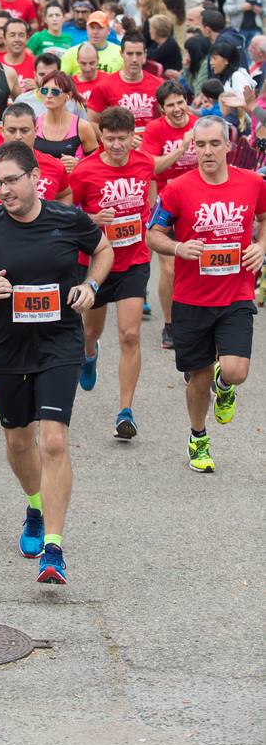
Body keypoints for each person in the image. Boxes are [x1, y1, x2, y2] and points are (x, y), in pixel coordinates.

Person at [0, 141, 113, 584]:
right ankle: (36, 506)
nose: (3, 189)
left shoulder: (68, 219)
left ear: (35, 178)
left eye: (11, 180)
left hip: (60, 342)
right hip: (8, 347)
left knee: (55, 441)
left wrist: (91, 287)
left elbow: (103, 250)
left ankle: (54, 549)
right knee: (20, 441)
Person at [146, 115, 266, 472]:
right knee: (197, 377)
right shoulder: (178, 188)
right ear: (193, 148)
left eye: (215, 144)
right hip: (191, 297)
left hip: (236, 294)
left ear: (228, 146)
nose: (207, 151)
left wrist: (262, 247)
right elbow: (154, 233)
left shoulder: (253, 184)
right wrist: (178, 248)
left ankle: (224, 382)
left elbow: (264, 220)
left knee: (236, 370)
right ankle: (198, 436)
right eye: (200, 145)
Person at [69, 106, 154, 439]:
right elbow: (67, 215)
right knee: (90, 332)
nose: (117, 145)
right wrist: (92, 221)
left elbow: (153, 190)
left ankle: (125, 411)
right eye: (110, 139)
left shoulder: (144, 162)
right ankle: (89, 355)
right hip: (96, 264)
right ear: (100, 136)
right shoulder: (85, 172)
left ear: (133, 137)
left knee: (130, 335)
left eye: (123, 139)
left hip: (134, 260)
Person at [141, 81, 199, 349]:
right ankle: (170, 323)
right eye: (170, 105)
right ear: (161, 109)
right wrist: (181, 149)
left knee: (199, 264)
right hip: (168, 201)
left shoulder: (201, 124)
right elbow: (152, 167)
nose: (177, 109)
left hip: (199, 202)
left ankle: (199, 316)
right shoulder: (155, 129)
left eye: (180, 102)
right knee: (170, 266)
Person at [88, 33, 163, 136]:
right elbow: (92, 122)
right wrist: (118, 139)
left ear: (145, 54)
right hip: (119, 148)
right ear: (121, 54)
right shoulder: (103, 86)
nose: (134, 59)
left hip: (152, 147)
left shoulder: (159, 84)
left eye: (138, 53)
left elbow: (168, 119)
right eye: (130, 53)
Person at [34, 71, 97, 167]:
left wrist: (79, 164)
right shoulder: (34, 123)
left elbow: (96, 162)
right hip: (41, 180)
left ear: (68, 96)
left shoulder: (82, 126)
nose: (49, 95)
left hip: (71, 180)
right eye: (44, 90)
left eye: (55, 92)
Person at [60, 11, 123, 77]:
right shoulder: (71, 53)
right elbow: (60, 80)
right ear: (87, 29)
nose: (95, 32)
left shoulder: (120, 52)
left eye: (100, 28)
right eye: (92, 27)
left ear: (108, 30)